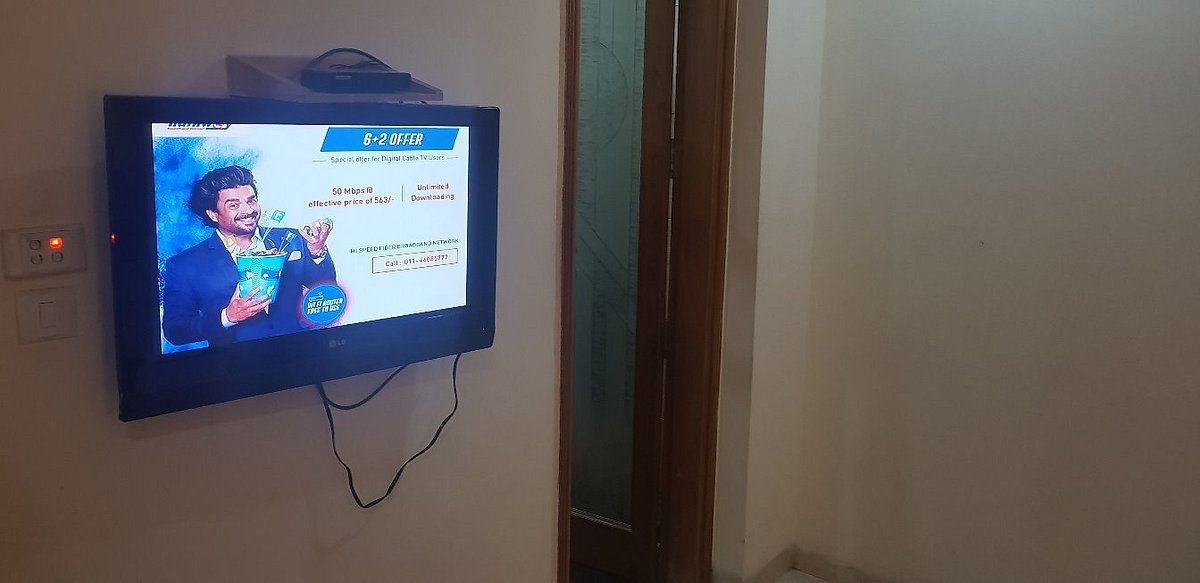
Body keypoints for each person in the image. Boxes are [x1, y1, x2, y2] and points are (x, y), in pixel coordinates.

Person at [162, 165, 336, 346]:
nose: (249, 210)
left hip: (301, 352)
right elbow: (175, 330)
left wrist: (316, 251)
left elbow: (325, 289)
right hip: (236, 361)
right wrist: (227, 317)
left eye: (251, 201)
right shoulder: (184, 265)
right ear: (213, 214)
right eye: (234, 205)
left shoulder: (291, 238)